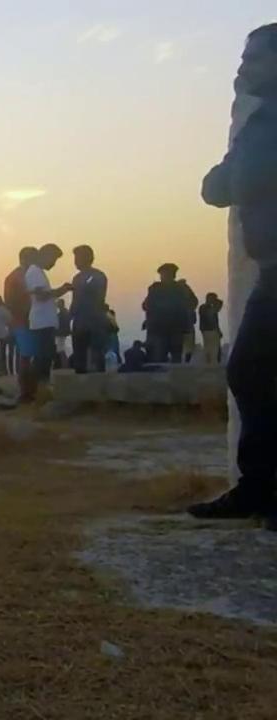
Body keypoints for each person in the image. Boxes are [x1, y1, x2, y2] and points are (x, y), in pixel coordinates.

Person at [192, 23, 277, 521]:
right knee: (249, 372)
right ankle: (258, 487)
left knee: (253, 372)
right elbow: (216, 187)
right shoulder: (259, 123)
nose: (243, 67)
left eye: (256, 58)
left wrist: (244, 175)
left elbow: (233, 179)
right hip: (271, 271)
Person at [25, 244, 72, 396]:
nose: (53, 264)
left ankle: (39, 389)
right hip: (41, 322)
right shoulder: (34, 272)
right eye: (53, 260)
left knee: (45, 356)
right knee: (42, 358)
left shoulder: (38, 272)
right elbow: (41, 296)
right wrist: (61, 290)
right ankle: (39, 390)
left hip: (45, 321)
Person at [142, 263, 195, 363]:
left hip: (169, 329)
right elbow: (146, 305)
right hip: (163, 329)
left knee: (166, 358)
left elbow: (146, 306)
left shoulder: (179, 288)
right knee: (165, 358)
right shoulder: (157, 289)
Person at [70, 245, 110, 373]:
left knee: (96, 356)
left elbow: (98, 298)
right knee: (80, 358)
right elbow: (75, 301)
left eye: (78, 258)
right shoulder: (78, 278)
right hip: (81, 322)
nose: (75, 261)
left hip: (94, 322)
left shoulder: (96, 276)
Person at [4, 247, 37, 394]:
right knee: (25, 355)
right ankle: (25, 389)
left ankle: (27, 387)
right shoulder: (18, 277)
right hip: (23, 320)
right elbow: (11, 302)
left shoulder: (20, 275)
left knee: (26, 354)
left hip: (25, 320)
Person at [199, 293, 225, 365]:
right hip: (212, 331)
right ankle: (212, 365)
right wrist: (218, 330)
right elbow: (212, 320)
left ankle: (208, 364)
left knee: (208, 349)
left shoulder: (202, 307)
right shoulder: (210, 308)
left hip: (205, 331)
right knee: (214, 350)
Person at [54, 299, 72, 369]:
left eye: (58, 303)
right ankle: (65, 365)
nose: (57, 305)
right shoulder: (66, 312)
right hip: (64, 333)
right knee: (61, 349)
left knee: (60, 350)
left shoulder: (62, 314)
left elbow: (58, 324)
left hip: (61, 333)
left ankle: (65, 365)